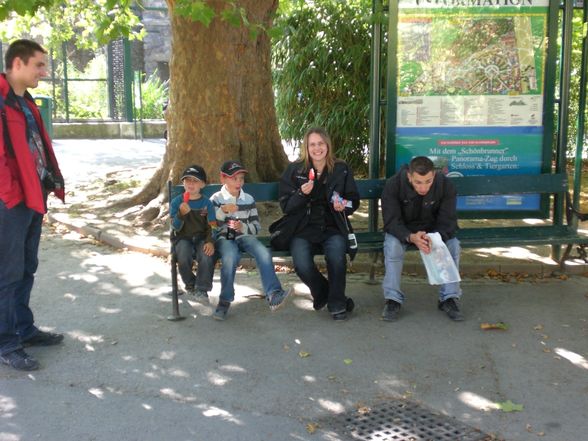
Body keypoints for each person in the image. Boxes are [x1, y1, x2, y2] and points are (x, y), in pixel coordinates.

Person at [0, 39, 66, 371]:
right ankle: (7, 342)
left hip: (33, 196)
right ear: (18, 64)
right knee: (8, 273)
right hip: (12, 201)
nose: (44, 70)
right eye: (39, 64)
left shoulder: (24, 100)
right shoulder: (1, 100)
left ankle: (24, 329)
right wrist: (11, 196)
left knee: (27, 267)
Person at [278, 127, 360, 321]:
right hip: (303, 227)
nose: (317, 148)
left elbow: (353, 200)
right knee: (302, 263)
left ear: (327, 145)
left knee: (337, 257)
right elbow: (286, 206)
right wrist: (301, 194)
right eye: (312, 144)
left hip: (332, 225)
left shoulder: (341, 168)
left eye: (321, 143)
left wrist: (344, 205)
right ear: (306, 147)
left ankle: (337, 304)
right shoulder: (295, 170)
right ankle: (326, 292)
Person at [381, 156, 463, 322]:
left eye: (428, 181)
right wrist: (410, 237)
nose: (424, 187)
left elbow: (448, 221)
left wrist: (435, 237)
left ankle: (449, 298)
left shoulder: (445, 185)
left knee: (453, 245)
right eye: (418, 182)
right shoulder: (393, 185)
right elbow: (391, 221)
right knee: (392, 246)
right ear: (409, 176)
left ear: (434, 174)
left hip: (434, 231)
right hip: (404, 230)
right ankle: (392, 299)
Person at [210, 160, 291, 320]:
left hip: (244, 236)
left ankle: (274, 294)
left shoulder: (248, 199)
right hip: (224, 238)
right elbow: (211, 225)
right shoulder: (216, 198)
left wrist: (243, 227)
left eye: (241, 179)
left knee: (263, 252)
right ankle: (224, 301)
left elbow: (256, 226)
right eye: (234, 179)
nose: (239, 182)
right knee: (230, 256)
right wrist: (222, 211)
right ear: (223, 179)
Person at [170, 164, 217, 302]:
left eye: (195, 180)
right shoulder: (176, 202)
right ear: (183, 182)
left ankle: (202, 289)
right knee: (183, 255)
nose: (191, 183)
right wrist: (180, 214)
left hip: (202, 237)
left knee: (207, 255)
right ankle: (190, 284)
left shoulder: (207, 203)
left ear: (202, 184)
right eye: (187, 180)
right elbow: (175, 227)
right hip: (183, 238)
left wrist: (210, 241)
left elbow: (212, 226)